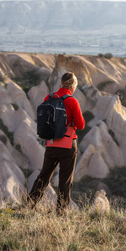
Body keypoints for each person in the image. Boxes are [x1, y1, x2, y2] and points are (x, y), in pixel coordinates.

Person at [27, 72, 85, 215]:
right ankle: (60, 212)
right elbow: (81, 125)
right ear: (73, 85)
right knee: (65, 180)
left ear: (61, 83)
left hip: (51, 144)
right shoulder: (72, 101)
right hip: (68, 145)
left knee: (44, 176)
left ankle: (29, 205)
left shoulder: (49, 97)